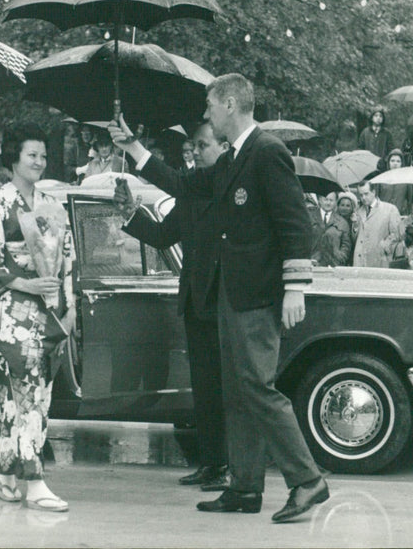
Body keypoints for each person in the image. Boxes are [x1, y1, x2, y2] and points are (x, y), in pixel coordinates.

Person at [108, 73, 329, 523]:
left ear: (230, 104)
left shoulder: (267, 152)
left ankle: (307, 481)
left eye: (210, 106)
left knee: (258, 389)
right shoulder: (235, 156)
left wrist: (295, 287)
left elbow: (295, 224)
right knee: (238, 393)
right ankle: (245, 487)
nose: (206, 114)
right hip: (233, 295)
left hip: (256, 297)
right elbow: (186, 187)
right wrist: (134, 148)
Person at [113, 121, 230, 490]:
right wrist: (130, 213)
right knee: (205, 389)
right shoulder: (193, 193)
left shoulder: (227, 188)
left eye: (203, 145)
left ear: (224, 149)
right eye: (193, 146)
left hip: (225, 305)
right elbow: (164, 236)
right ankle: (211, 463)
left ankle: (229, 466)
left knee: (226, 391)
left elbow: (175, 182)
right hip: (196, 304)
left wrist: (134, 146)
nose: (195, 152)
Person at [0, 124, 75, 511]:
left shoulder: (50, 203)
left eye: (43, 155)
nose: (39, 161)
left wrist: (68, 301)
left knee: (15, 394)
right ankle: (35, 481)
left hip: (47, 305)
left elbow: (67, 255)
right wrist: (26, 284)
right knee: (31, 389)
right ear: (13, 157)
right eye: (32, 154)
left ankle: (3, 470)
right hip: (11, 307)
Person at [353, 180, 402, 268]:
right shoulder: (358, 212)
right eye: (361, 195)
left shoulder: (390, 209)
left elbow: (397, 234)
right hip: (360, 262)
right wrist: (355, 226)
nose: (363, 197)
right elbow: (355, 238)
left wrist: (384, 246)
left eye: (366, 194)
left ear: (373, 192)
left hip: (380, 261)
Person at [311, 191, 352, 267]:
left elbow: (346, 245)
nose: (328, 203)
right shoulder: (310, 218)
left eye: (331, 200)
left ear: (336, 202)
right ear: (319, 200)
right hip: (313, 263)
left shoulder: (342, 222)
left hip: (333, 265)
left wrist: (340, 258)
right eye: (325, 199)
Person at [374, 148, 413, 215]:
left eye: (398, 161)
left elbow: (410, 201)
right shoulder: (381, 179)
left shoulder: (406, 181)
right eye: (392, 161)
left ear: (401, 164)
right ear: (388, 163)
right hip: (383, 214)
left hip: (400, 215)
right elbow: (376, 199)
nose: (395, 163)